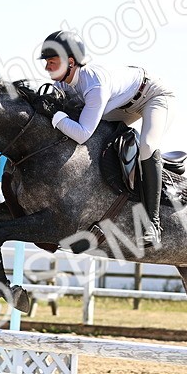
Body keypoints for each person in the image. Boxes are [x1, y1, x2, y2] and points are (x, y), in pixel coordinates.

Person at [39, 30, 175, 247]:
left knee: (148, 145)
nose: (47, 67)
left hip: (152, 95)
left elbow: (82, 133)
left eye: (52, 62)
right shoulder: (63, 84)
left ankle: (153, 224)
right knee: (99, 140)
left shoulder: (93, 85)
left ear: (70, 62)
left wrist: (54, 115)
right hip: (121, 103)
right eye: (46, 62)